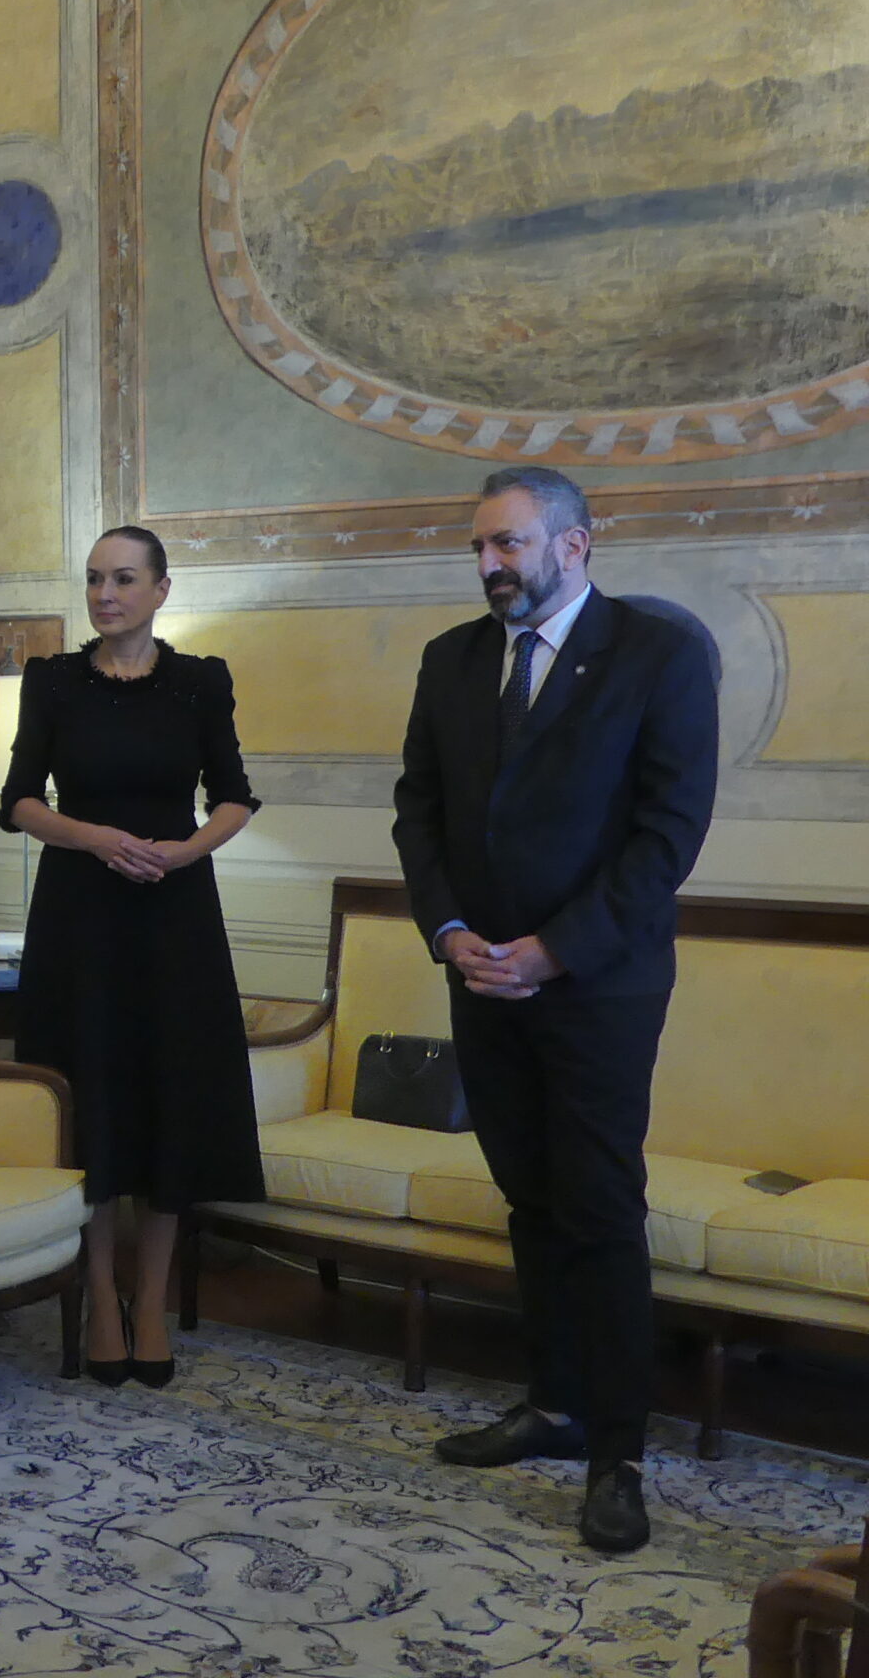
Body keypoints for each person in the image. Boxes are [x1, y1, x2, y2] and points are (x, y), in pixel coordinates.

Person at [394, 465, 717, 1554]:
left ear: (575, 545)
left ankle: (619, 1454)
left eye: (509, 544)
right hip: (482, 979)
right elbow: (418, 812)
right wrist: (450, 933)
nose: (489, 565)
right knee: (528, 1202)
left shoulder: (657, 654)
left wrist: (553, 951)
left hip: (598, 987)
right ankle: (555, 1403)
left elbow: (666, 834)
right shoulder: (450, 659)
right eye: (479, 548)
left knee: (598, 1211)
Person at [0, 526, 263, 1389]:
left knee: (167, 1102)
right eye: (93, 580)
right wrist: (97, 839)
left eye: (122, 579)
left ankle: (151, 1302)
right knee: (93, 1101)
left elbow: (233, 797)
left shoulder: (200, 682)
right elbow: (19, 801)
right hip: (80, 918)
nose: (104, 595)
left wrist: (182, 854)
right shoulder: (52, 681)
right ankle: (99, 1301)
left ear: (160, 590)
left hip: (175, 917)